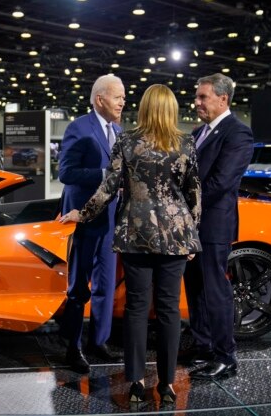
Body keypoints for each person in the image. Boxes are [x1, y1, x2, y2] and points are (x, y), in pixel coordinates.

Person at [60, 84, 201, 403]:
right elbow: (194, 193)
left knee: (137, 308)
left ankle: (136, 381)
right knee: (167, 310)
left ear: (146, 108)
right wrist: (193, 236)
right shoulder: (185, 142)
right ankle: (166, 384)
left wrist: (82, 214)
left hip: (136, 235)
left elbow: (108, 188)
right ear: (172, 109)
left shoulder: (127, 140)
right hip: (176, 237)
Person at [180, 73, 254, 380]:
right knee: (195, 290)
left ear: (223, 99)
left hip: (213, 226)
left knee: (216, 291)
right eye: (197, 96)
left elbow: (221, 183)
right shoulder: (199, 132)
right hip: (192, 226)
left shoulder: (238, 133)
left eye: (202, 97)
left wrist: (183, 205)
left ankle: (226, 356)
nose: (196, 102)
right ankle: (204, 347)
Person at [57, 74, 125, 374]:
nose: (123, 101)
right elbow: (66, 173)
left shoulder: (120, 131)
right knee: (78, 286)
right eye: (118, 96)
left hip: (110, 220)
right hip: (82, 219)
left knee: (106, 284)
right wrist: (105, 175)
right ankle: (73, 347)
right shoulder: (78, 128)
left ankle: (99, 340)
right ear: (100, 99)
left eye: (123, 97)